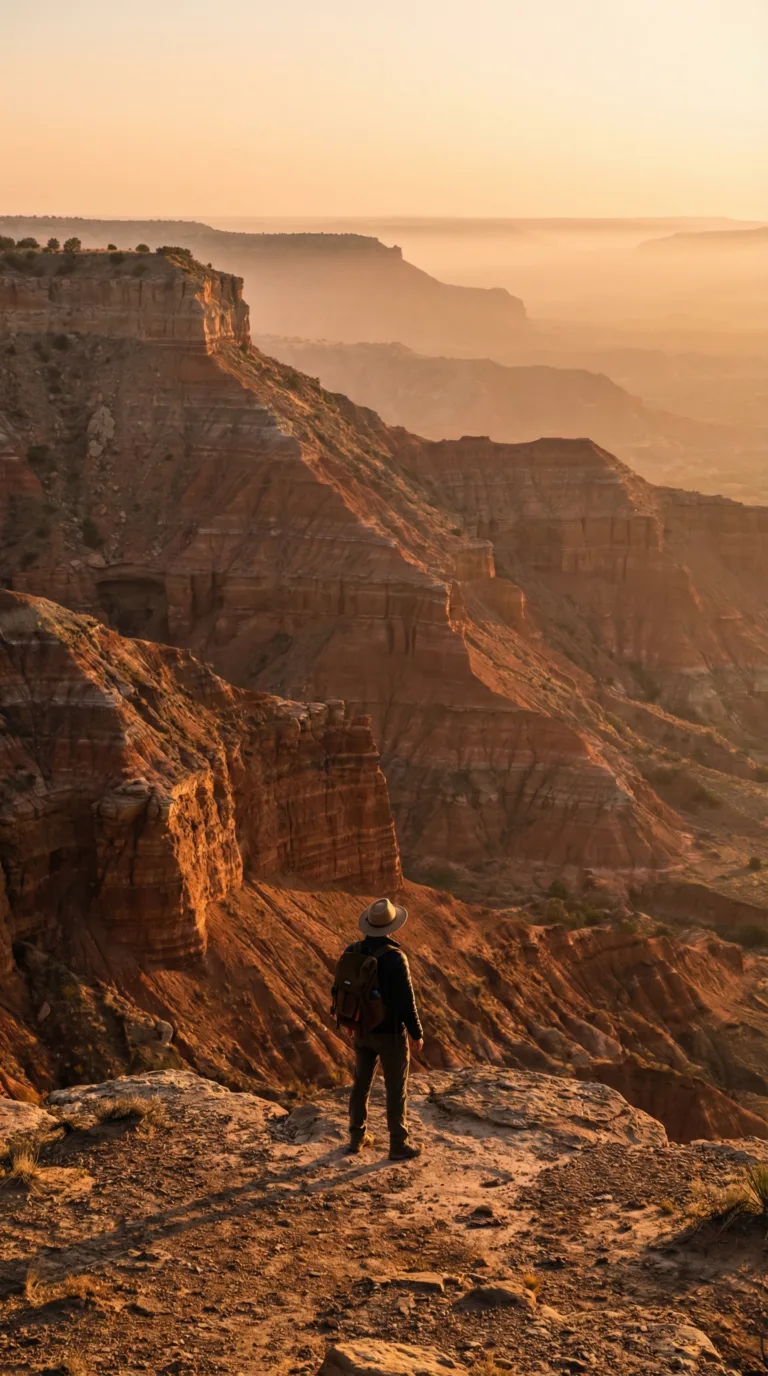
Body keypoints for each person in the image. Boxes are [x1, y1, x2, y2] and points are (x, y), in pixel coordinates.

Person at [344, 897, 424, 1161]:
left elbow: (345, 990)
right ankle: (398, 1144)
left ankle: (357, 1137)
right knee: (395, 1089)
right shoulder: (395, 958)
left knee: (361, 1083)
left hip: (362, 1030)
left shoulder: (353, 950)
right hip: (390, 1035)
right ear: (391, 926)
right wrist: (416, 1033)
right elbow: (406, 1001)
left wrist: (349, 1020)